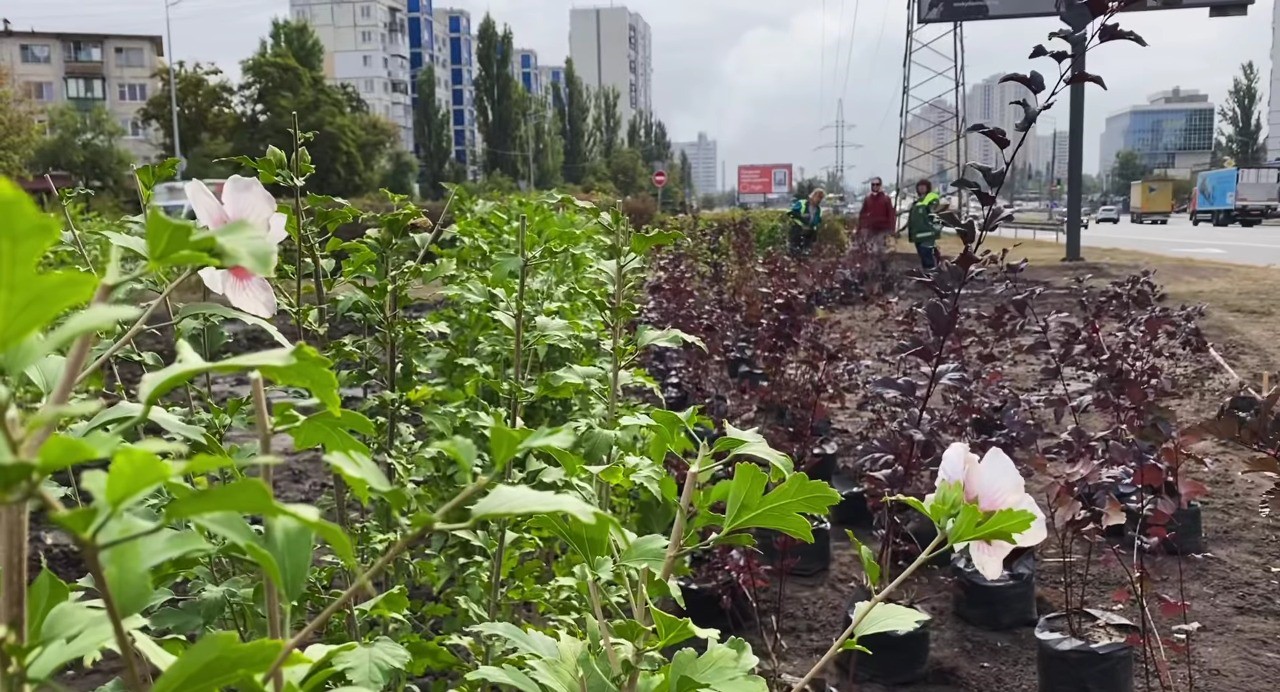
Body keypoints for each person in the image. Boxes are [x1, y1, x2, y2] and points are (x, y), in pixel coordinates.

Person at [905, 179, 941, 270]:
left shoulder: (930, 200)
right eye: (919, 186)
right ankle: (927, 275)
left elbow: (936, 213)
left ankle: (932, 276)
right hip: (917, 235)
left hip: (927, 235)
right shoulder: (916, 203)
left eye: (923, 186)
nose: (921, 188)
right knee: (923, 257)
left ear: (927, 188)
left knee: (927, 256)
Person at [787, 188, 825, 257]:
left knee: (806, 253)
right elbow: (791, 213)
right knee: (794, 250)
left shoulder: (818, 209)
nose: (819, 200)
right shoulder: (802, 203)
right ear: (813, 196)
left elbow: (818, 221)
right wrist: (802, 218)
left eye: (821, 198)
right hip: (798, 230)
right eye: (818, 197)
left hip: (809, 233)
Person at [857, 177, 896, 244]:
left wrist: (892, 229)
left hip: (883, 229)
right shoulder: (867, 199)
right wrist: (860, 227)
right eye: (873, 184)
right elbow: (862, 214)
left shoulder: (886, 199)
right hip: (870, 228)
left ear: (880, 186)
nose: (875, 186)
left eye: (877, 184)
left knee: (878, 247)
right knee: (869, 247)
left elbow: (891, 215)